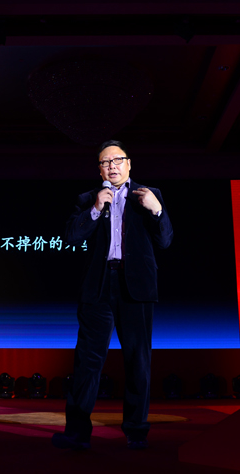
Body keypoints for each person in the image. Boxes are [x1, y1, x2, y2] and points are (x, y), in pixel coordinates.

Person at [52, 140, 173, 451]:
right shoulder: (88, 199)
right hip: (98, 287)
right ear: (100, 170)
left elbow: (165, 241)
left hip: (136, 289)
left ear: (129, 164)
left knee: (138, 361)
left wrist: (157, 210)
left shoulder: (148, 195)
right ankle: (77, 433)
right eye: (106, 162)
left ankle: (136, 431)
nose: (112, 166)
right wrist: (95, 209)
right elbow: (71, 236)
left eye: (117, 160)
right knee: (87, 362)